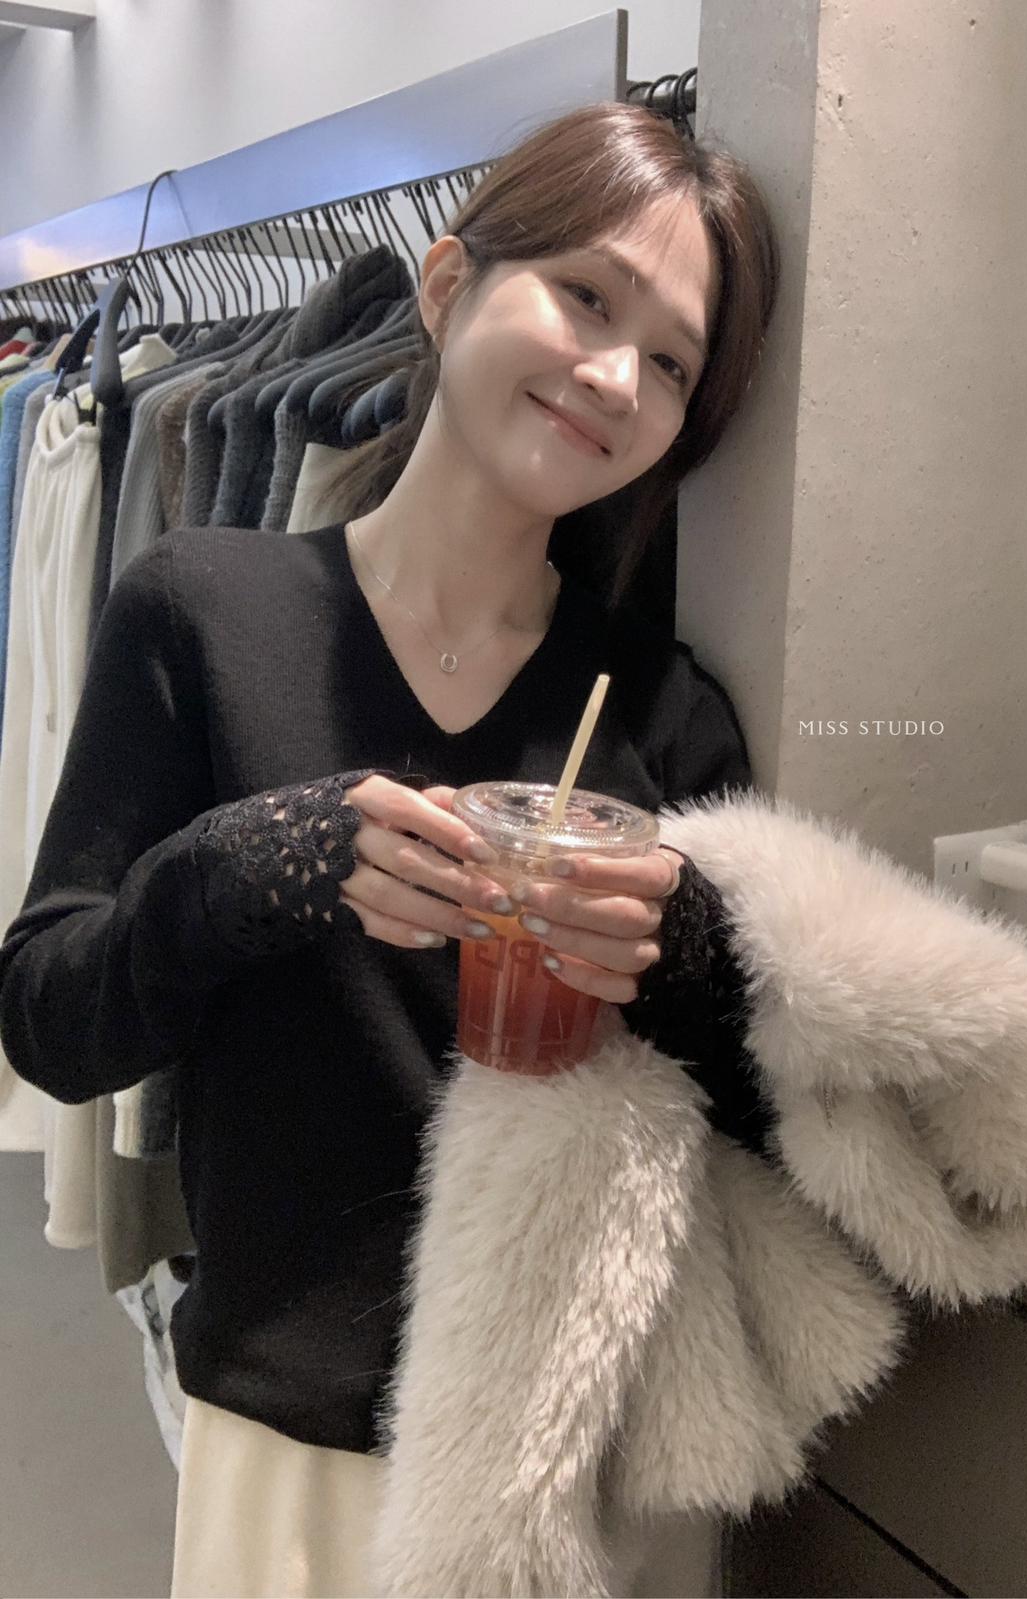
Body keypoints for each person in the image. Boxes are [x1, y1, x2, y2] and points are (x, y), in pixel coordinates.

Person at [0, 100, 779, 1597]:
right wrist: (242, 872)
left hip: (564, 1453)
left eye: (674, 362)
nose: (615, 375)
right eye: (586, 295)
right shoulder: (202, 613)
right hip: (287, 1429)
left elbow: (759, 1116)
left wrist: (680, 953)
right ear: (446, 285)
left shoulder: (658, 710)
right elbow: (49, 1018)